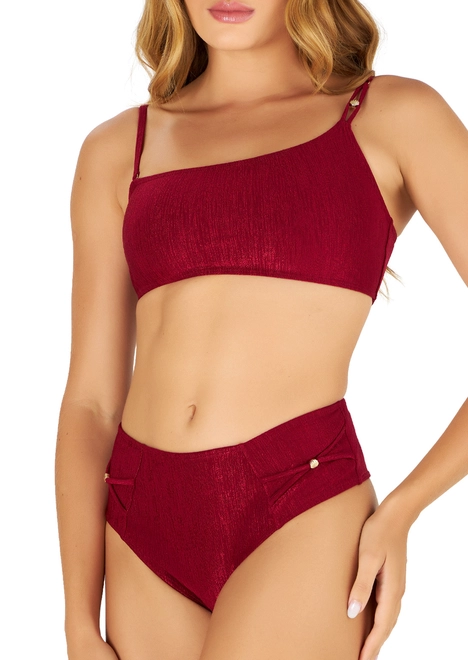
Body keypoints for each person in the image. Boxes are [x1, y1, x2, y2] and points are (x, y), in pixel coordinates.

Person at [54, 1, 468, 659]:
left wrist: (404, 508)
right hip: (139, 518)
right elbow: (91, 403)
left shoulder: (391, 117)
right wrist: (78, 617)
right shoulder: (116, 149)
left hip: (298, 505)